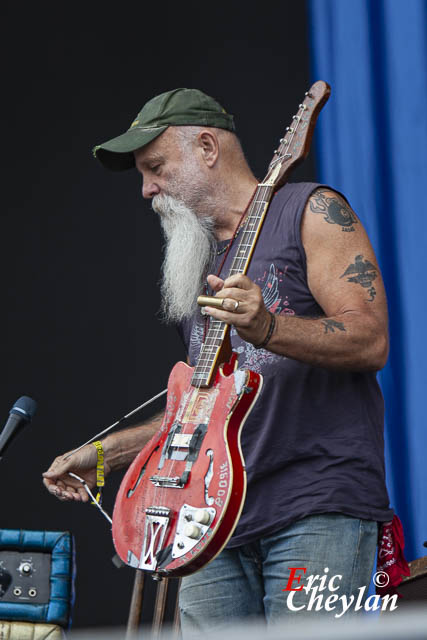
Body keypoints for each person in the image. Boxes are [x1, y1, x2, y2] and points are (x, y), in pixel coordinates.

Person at [43, 88, 393, 629]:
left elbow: (370, 341)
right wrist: (105, 453)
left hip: (316, 504)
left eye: (155, 167)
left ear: (207, 146)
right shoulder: (198, 257)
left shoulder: (311, 211)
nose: (146, 188)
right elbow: (209, 406)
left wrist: (269, 326)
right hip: (211, 523)